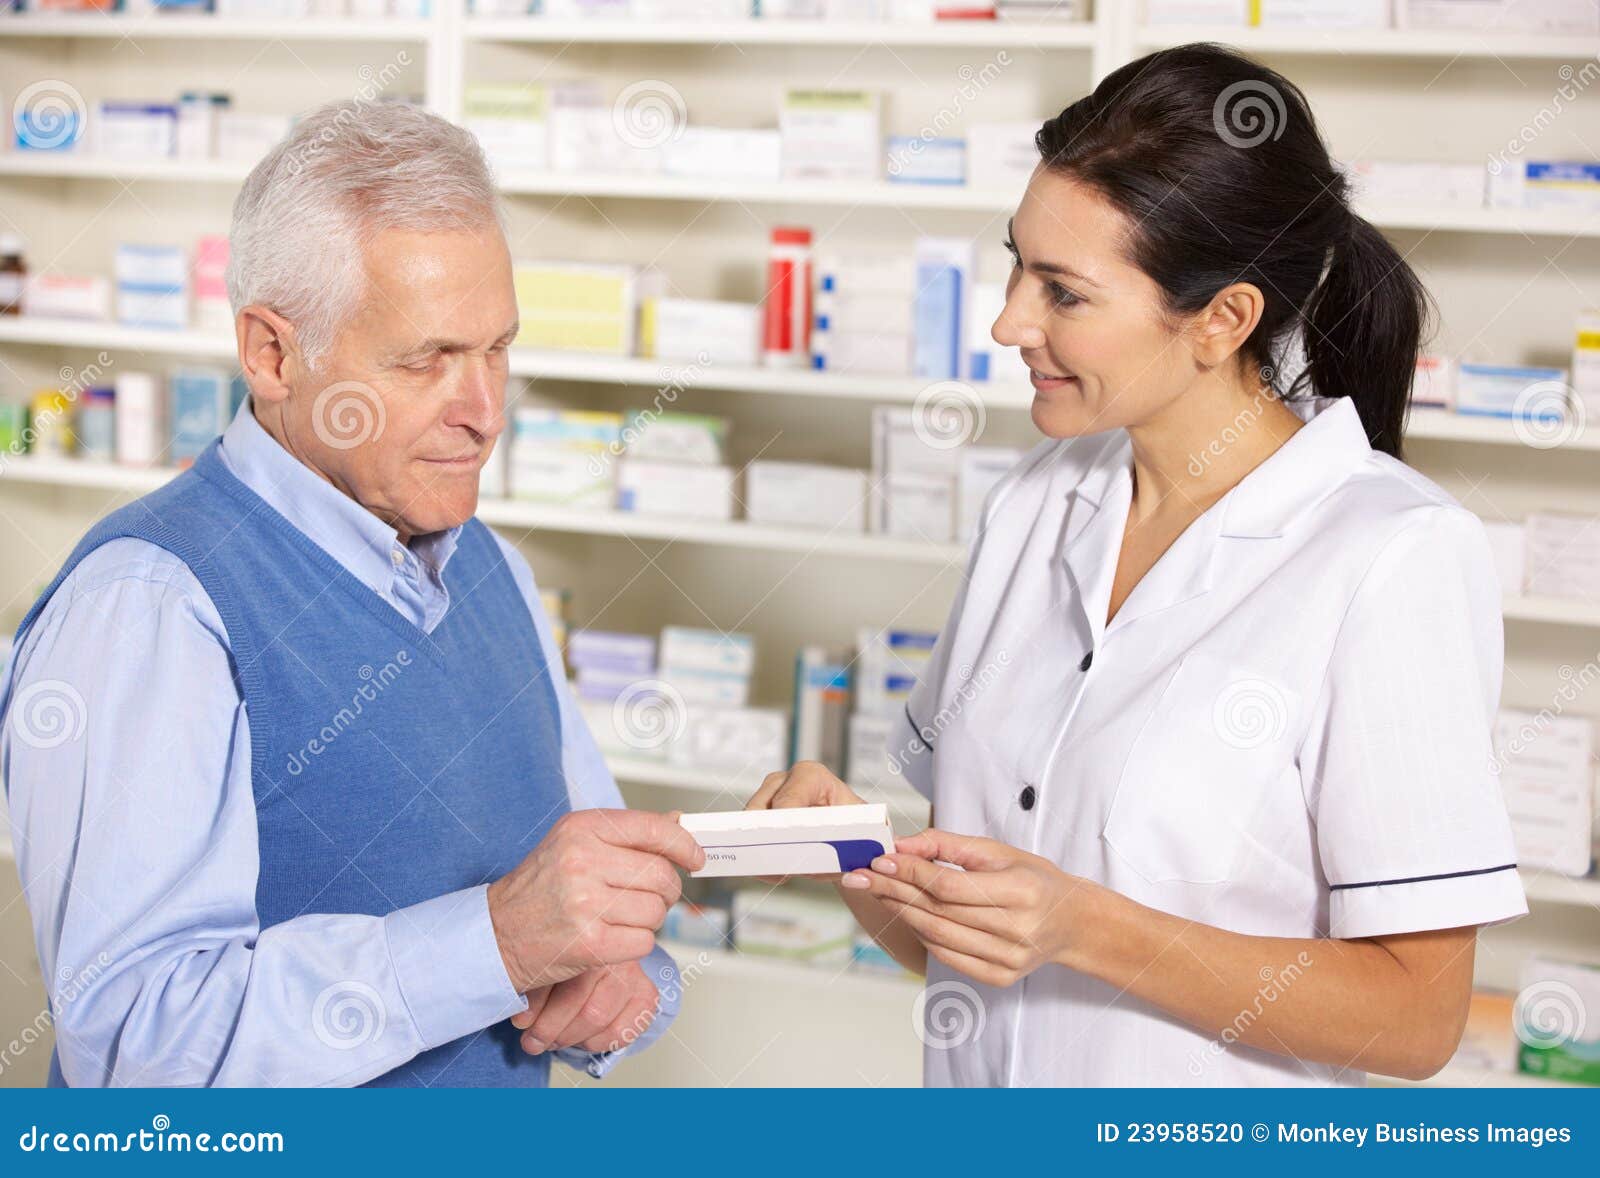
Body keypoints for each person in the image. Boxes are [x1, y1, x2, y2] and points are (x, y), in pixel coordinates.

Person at [747, 44, 1527, 1087]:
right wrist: (851, 859)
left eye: (1062, 293)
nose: (1008, 320)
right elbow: (977, 947)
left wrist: (1088, 926)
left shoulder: (1389, 554)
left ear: (1222, 319)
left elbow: (1417, 1018)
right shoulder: (1035, 504)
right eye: (1015, 262)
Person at [0, 100, 704, 1087]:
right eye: (427, 360)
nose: (485, 413)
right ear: (273, 354)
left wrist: (620, 975)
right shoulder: (151, 606)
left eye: (497, 348)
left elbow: (581, 901)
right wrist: (492, 942)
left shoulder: (487, 566)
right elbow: (134, 1049)